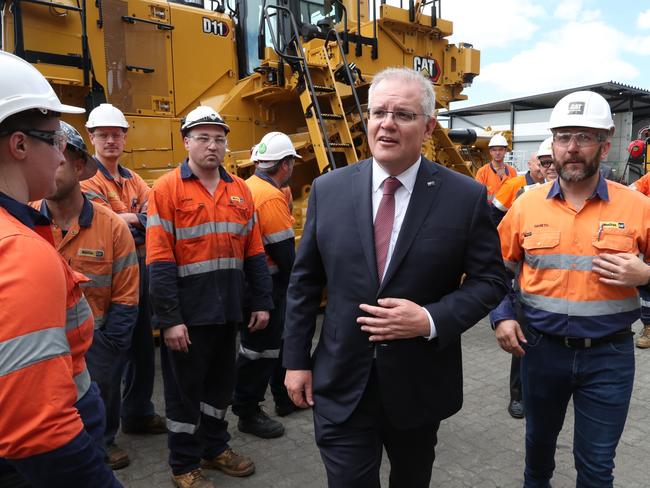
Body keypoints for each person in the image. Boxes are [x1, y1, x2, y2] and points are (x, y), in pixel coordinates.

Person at [282, 67, 508, 487]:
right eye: (378, 112)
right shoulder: (328, 190)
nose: (387, 124)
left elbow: (491, 280)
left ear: (428, 127)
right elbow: (304, 283)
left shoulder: (464, 197)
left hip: (418, 386)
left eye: (403, 115)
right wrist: (295, 361)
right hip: (341, 381)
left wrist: (429, 319)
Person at [493, 90, 650, 487]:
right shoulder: (527, 206)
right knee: (537, 454)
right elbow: (494, 270)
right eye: (564, 137)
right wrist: (502, 316)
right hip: (540, 352)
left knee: (596, 467)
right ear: (553, 143)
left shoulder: (636, 206)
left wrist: (645, 275)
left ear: (606, 140)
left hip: (609, 357)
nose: (572, 148)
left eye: (584, 136)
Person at [0, 50, 120, 488]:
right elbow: (37, 429)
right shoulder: (20, 250)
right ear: (19, 145)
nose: (62, 158)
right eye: (54, 141)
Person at [147, 105, 273, 488]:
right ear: (186, 142)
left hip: (229, 311)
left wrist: (262, 302)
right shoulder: (167, 189)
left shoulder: (240, 191)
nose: (212, 145)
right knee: (185, 393)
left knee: (219, 388)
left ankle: (214, 448)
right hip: (188, 316)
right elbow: (159, 258)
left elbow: (254, 252)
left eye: (218, 138)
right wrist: (169, 319)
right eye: (202, 138)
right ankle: (183, 465)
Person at [36, 122, 140, 470]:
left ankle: (105, 441)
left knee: (100, 400)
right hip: (42, 345)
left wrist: (112, 345)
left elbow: (127, 294)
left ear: (79, 166)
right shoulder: (24, 221)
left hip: (97, 340)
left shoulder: (112, 227)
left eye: (59, 159)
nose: (48, 166)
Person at [81, 103, 165, 446]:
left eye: (116, 134)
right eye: (104, 135)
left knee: (143, 349)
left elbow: (154, 211)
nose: (111, 140)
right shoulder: (87, 180)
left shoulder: (133, 179)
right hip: (109, 280)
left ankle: (138, 414)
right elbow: (108, 224)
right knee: (109, 358)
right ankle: (104, 437)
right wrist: (133, 218)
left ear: (125, 137)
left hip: (139, 274)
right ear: (92, 137)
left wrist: (135, 220)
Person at [233, 132, 298, 439]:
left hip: (252, 282)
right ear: (284, 164)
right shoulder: (270, 196)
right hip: (269, 285)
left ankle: (284, 397)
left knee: (271, 346)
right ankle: (248, 410)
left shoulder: (249, 186)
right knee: (261, 350)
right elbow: (285, 252)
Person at [492, 150, 545, 225]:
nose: (543, 168)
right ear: (529, 165)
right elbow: (494, 214)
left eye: (546, 164)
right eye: (539, 165)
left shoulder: (550, 186)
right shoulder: (512, 185)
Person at [475, 133, 517, 203]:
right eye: (494, 150)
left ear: (505, 151)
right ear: (490, 152)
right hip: (489, 212)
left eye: (500, 150)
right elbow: (477, 195)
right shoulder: (482, 172)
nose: (497, 153)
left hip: (507, 212)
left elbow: (515, 194)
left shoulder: (512, 172)